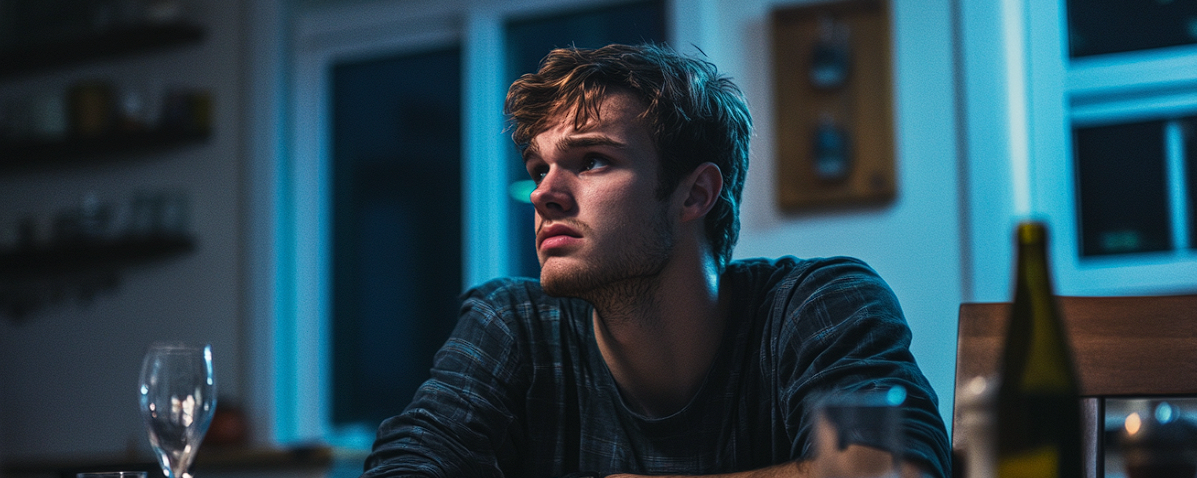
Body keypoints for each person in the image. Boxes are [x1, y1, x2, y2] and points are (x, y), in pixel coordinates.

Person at [362, 44, 950, 478]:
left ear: (695, 195)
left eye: (591, 160)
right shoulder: (512, 322)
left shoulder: (817, 303)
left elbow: (890, 469)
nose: (542, 193)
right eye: (540, 168)